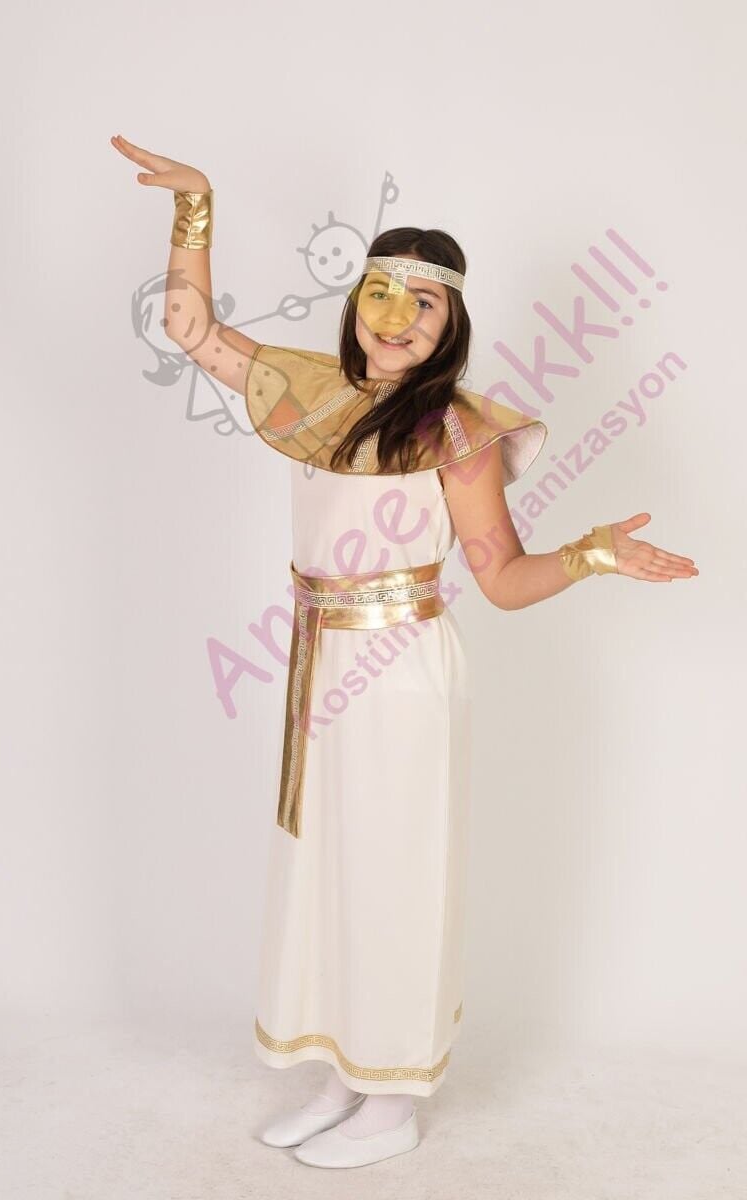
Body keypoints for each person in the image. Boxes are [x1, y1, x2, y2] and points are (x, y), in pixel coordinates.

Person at [111, 135, 699, 1170]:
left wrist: (592, 553)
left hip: (400, 673)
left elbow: (501, 578)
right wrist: (195, 208)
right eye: (381, 293)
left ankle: (393, 1103)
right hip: (320, 663)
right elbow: (189, 328)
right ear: (356, 304)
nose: (396, 316)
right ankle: (346, 1072)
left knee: (393, 872)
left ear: (450, 325)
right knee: (330, 873)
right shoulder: (309, 394)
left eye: (422, 302)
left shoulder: (457, 433)